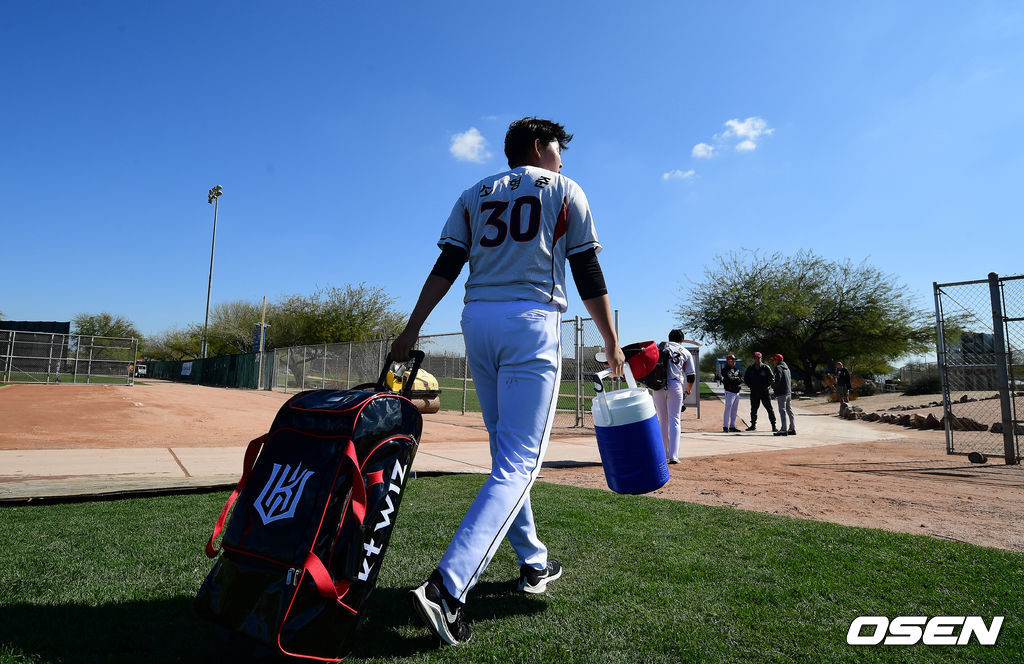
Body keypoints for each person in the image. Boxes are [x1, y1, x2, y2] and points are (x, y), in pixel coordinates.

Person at [390, 117, 625, 646]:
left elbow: (448, 263)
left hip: (478, 320)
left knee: (505, 456)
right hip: (530, 321)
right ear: (539, 147)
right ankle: (447, 588)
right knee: (521, 463)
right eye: (559, 150)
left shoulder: (474, 191)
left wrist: (412, 327)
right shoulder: (563, 188)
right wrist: (610, 340)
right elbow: (587, 270)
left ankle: (534, 563)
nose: (563, 160)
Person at [651, 329, 695, 464]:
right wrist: (688, 389)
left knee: (662, 419)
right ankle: (674, 455)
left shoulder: (659, 346)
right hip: (675, 385)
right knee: (674, 419)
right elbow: (691, 376)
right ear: (682, 339)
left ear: (669, 337)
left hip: (657, 386)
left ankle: (663, 454)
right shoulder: (685, 351)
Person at [742, 351, 777, 432]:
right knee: (753, 409)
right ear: (753, 358)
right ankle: (753, 425)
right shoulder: (750, 368)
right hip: (754, 392)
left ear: (761, 358)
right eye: (755, 358)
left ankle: (773, 426)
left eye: (758, 358)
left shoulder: (766, 367)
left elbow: (772, 378)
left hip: (764, 392)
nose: (757, 359)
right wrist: (750, 386)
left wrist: (767, 386)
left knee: (769, 409)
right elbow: (746, 379)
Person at [770, 354, 795, 436]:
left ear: (777, 360)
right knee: (789, 410)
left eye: (774, 360)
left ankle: (783, 429)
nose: (773, 361)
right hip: (788, 392)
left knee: (782, 410)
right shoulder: (787, 368)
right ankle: (792, 428)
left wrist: (773, 387)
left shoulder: (778, 368)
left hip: (782, 393)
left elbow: (777, 380)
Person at [720, 354, 742, 433]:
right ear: (728, 361)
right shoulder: (725, 370)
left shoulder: (736, 370)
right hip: (729, 392)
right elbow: (729, 379)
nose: (733, 362)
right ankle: (725, 426)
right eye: (731, 360)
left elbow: (741, 379)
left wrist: (736, 379)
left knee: (734, 410)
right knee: (728, 409)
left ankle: (732, 426)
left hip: (737, 392)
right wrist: (737, 379)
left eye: (734, 360)